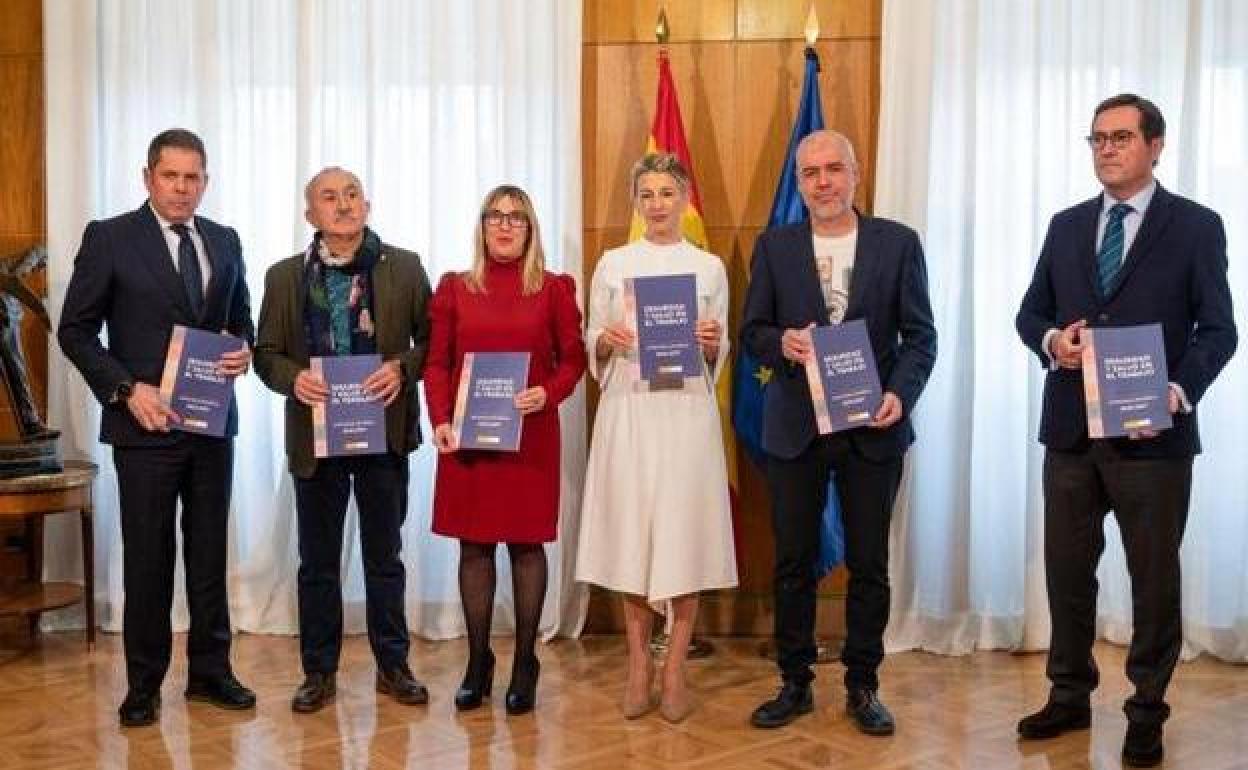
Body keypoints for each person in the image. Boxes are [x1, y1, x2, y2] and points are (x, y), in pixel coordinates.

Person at [1014, 94, 1236, 768]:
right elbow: (1030, 314)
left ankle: (1147, 710)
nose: (1106, 149)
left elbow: (1219, 330)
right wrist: (1054, 341)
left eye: (1120, 137)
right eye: (1097, 139)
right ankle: (1068, 695)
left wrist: (1178, 390)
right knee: (1067, 574)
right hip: (1071, 435)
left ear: (1155, 146)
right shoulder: (1065, 226)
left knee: (1153, 580)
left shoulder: (1196, 226)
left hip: (1153, 439)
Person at [58, 128, 256, 727]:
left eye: (192, 177)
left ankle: (211, 673)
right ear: (148, 177)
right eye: (170, 176)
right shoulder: (110, 237)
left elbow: (240, 319)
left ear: (206, 181)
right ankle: (143, 685)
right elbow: (75, 331)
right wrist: (126, 389)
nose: (181, 187)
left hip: (211, 425)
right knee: (148, 558)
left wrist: (242, 349)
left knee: (209, 553)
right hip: (143, 428)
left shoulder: (225, 239)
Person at [741, 130, 936, 733]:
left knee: (870, 564)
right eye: (810, 173)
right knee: (793, 563)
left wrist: (900, 394)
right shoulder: (775, 246)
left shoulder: (897, 243)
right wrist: (782, 342)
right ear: (799, 184)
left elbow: (920, 337)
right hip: (796, 427)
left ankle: (863, 686)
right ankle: (795, 682)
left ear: (855, 173)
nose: (822, 182)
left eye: (833, 169)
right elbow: (753, 332)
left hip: (871, 428)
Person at [253, 167, 433, 713]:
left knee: (385, 557)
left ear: (367, 205)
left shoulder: (405, 267)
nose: (344, 204)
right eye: (330, 197)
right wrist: (294, 379)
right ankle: (318, 673)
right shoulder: (284, 276)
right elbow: (266, 354)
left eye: (352, 194)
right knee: (318, 563)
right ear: (311, 214)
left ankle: (393, 666)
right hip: (316, 439)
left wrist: (402, 368)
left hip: (384, 432)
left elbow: (433, 341)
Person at [575, 153, 738, 723]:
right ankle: (639, 664)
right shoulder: (614, 262)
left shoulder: (709, 267)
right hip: (630, 411)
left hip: (686, 413)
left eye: (667, 192)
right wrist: (607, 339)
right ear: (636, 201)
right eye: (647, 193)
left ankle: (675, 670)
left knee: (683, 533)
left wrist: (712, 342)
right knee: (633, 534)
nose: (658, 203)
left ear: (684, 197)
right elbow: (591, 337)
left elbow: (720, 346)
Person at [425, 184, 586, 715]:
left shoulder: (554, 289)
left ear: (530, 228)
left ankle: (524, 664)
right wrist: (440, 419)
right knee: (473, 548)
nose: (504, 224)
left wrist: (549, 392)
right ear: (482, 226)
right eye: (495, 215)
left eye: (516, 217)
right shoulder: (455, 287)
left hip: (529, 438)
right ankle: (478, 662)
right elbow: (437, 363)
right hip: (468, 440)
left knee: (525, 548)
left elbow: (573, 360)